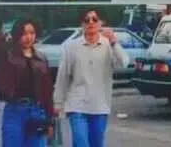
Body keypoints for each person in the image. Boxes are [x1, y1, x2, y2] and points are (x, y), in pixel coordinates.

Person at [54, 10, 129, 147]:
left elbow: (124, 62)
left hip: (100, 106)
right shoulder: (71, 47)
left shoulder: (108, 45)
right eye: (86, 20)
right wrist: (57, 103)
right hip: (76, 105)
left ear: (101, 23)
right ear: (82, 24)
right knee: (81, 142)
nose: (91, 22)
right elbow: (62, 77)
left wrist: (114, 42)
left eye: (95, 19)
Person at [0, 18, 55, 146]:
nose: (29, 37)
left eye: (32, 33)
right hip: (14, 110)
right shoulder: (8, 55)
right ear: (17, 35)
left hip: (37, 110)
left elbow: (47, 92)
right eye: (24, 33)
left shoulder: (41, 59)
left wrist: (50, 120)